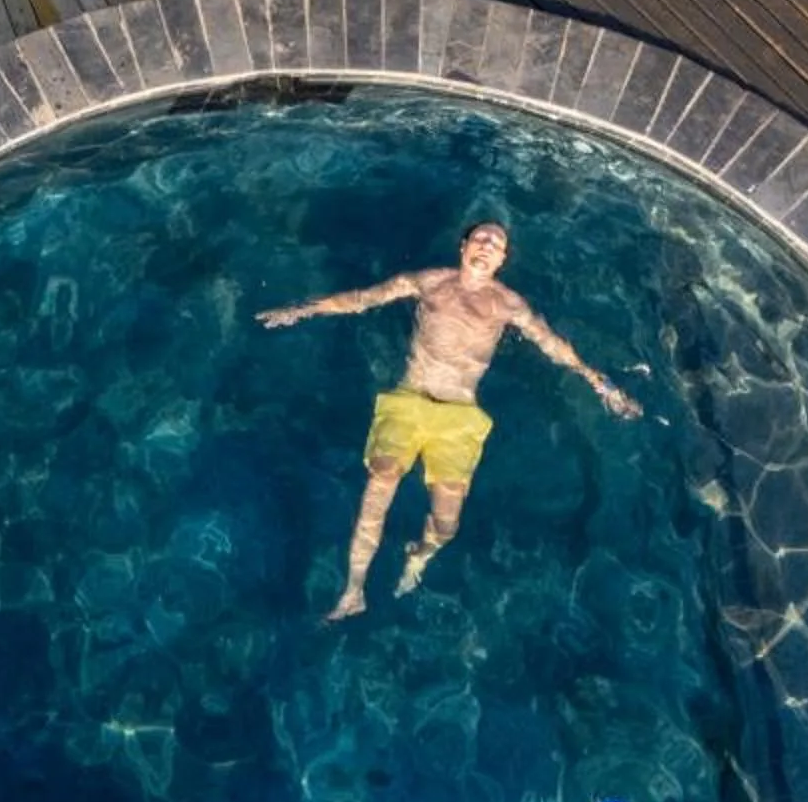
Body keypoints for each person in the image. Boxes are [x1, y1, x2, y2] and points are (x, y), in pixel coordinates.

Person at [258, 221, 641, 621]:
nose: (487, 246)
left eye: (496, 244)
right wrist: (301, 310)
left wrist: (602, 384)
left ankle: (420, 556)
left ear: (502, 259)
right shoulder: (429, 282)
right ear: (463, 246)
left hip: (460, 416)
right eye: (481, 238)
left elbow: (554, 346)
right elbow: (363, 298)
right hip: (409, 399)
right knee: (382, 480)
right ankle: (354, 590)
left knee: (445, 523)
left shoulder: (509, 305)